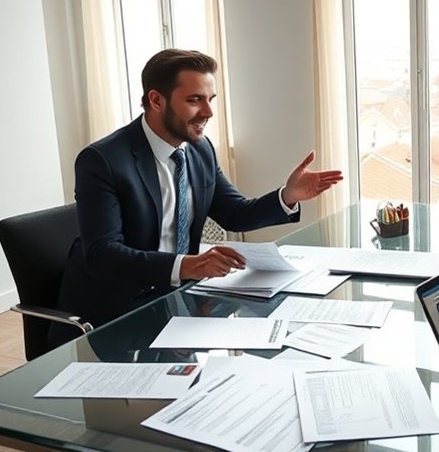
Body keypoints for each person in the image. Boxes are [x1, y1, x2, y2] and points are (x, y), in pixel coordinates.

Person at [51, 49, 343, 347]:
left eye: (210, 100)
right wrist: (186, 265)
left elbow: (234, 213)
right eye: (194, 100)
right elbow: (103, 254)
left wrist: (288, 195)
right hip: (112, 313)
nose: (208, 112)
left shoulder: (199, 150)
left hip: (177, 299)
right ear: (156, 100)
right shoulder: (104, 160)